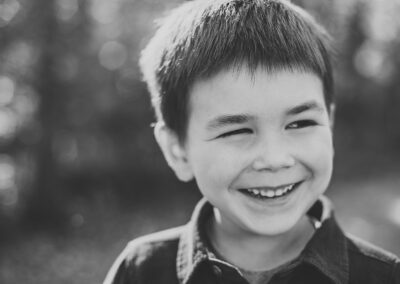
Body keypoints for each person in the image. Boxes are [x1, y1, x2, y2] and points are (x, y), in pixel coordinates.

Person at [104, 0, 400, 283]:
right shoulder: (140, 272)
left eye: (300, 123)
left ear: (330, 125)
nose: (274, 158)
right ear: (178, 151)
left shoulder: (385, 277)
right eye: (237, 131)